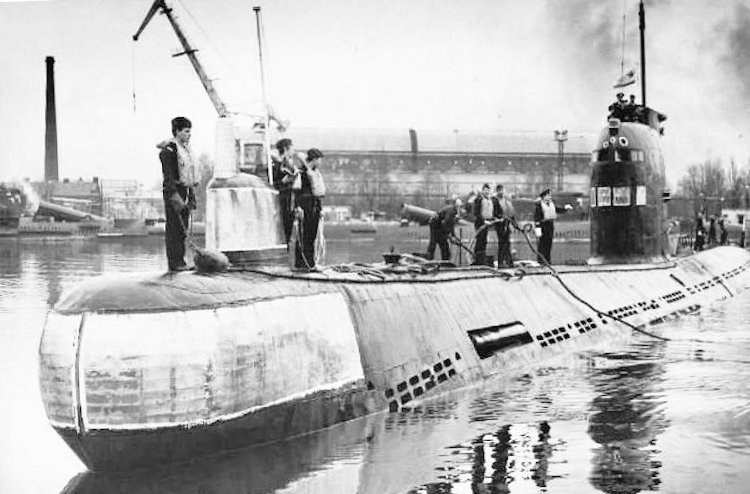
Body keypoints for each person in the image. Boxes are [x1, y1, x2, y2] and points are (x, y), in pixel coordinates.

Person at [158, 116, 198, 272]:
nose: (190, 135)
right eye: (186, 131)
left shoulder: (186, 151)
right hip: (173, 191)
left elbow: (188, 176)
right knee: (174, 227)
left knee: (183, 228)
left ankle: (180, 259)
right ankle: (174, 263)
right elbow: (168, 177)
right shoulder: (168, 151)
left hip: (184, 190)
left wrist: (191, 195)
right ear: (177, 131)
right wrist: (174, 196)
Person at [294, 148, 326, 270]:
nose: (320, 162)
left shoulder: (315, 173)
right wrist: (298, 207)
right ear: (315, 159)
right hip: (305, 207)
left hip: (314, 206)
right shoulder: (301, 173)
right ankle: (302, 263)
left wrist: (320, 208)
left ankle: (310, 262)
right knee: (304, 235)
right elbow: (297, 191)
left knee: (312, 236)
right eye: (319, 160)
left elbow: (317, 193)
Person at [271, 138, 299, 245]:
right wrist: (283, 181)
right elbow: (271, 183)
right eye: (292, 149)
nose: (293, 152)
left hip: (289, 198)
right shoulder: (275, 164)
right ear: (285, 149)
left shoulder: (288, 163)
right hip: (281, 199)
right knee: (283, 227)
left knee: (289, 227)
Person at [533, 188, 572, 265]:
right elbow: (536, 218)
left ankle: (548, 260)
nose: (550, 197)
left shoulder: (551, 204)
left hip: (550, 225)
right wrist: (538, 230)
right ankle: (541, 261)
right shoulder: (539, 205)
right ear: (544, 196)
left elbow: (557, 209)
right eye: (548, 195)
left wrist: (565, 208)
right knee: (542, 244)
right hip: (542, 225)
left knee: (549, 243)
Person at [473, 183, 495, 265]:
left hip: (487, 223)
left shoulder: (490, 200)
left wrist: (492, 219)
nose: (487, 192)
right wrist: (483, 221)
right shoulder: (479, 200)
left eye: (488, 191)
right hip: (480, 224)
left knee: (484, 241)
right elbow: (476, 213)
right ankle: (477, 259)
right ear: (482, 191)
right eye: (485, 190)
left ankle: (482, 258)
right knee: (480, 240)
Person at [494, 183, 516, 268]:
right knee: (502, 243)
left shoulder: (507, 200)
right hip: (500, 225)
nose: (501, 192)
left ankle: (509, 261)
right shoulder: (495, 200)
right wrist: (500, 218)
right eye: (499, 190)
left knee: (507, 243)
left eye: (502, 190)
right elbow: (495, 213)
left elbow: (511, 212)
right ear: (497, 191)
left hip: (507, 224)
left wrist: (514, 223)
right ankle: (501, 262)